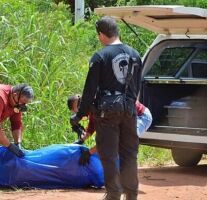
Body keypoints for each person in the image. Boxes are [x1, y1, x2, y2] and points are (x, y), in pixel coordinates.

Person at [70, 16, 142, 200]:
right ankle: (132, 195)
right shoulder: (135, 54)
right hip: (129, 110)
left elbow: (89, 91)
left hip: (107, 112)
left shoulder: (100, 56)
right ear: (116, 32)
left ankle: (114, 194)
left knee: (109, 155)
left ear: (102, 34)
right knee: (129, 154)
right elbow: (137, 87)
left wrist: (78, 116)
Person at [67, 95, 152, 165]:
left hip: (141, 116)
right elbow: (92, 125)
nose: (80, 114)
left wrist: (89, 152)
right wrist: (81, 140)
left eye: (78, 110)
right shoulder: (93, 105)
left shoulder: (103, 107)